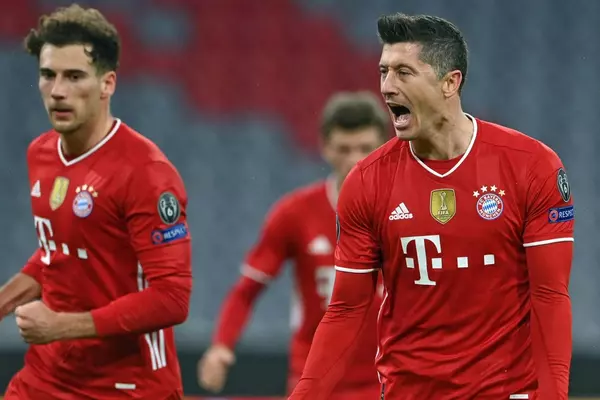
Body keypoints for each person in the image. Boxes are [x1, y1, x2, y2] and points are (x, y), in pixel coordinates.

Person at [289, 13, 573, 400]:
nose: (387, 87)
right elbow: (346, 310)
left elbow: (550, 297)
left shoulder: (532, 166)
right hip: (410, 392)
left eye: (404, 73)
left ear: (449, 83)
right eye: (383, 72)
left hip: (505, 391)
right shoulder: (367, 181)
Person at [0, 5, 192, 399]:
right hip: (47, 376)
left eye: (74, 77)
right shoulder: (41, 153)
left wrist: (60, 326)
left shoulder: (147, 172)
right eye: (48, 75)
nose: (57, 91)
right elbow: (58, 253)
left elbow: (172, 298)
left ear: (107, 84)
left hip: (128, 385)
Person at [198, 92, 389, 399]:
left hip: (386, 381)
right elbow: (246, 290)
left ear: (384, 147)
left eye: (365, 148)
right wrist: (221, 345)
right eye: (344, 149)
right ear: (325, 148)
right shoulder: (295, 214)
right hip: (315, 382)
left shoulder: (406, 212)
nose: (355, 159)